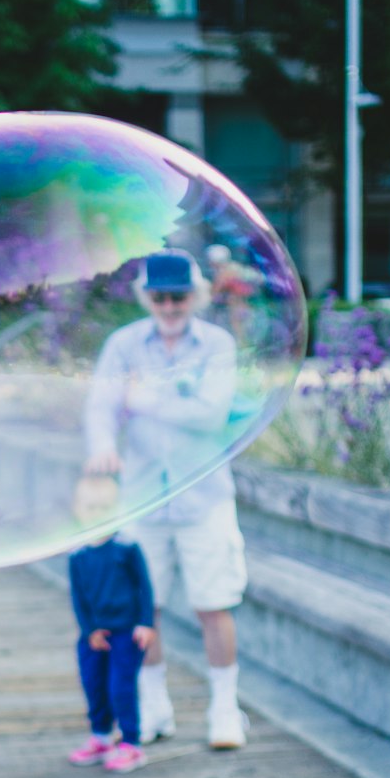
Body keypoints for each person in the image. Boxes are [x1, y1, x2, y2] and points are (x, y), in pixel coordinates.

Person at [84, 249, 250, 750]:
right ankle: (153, 707)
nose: (170, 305)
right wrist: (104, 443)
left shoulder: (216, 344)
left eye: (178, 296)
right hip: (142, 498)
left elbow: (210, 413)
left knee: (213, 605)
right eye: (160, 297)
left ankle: (225, 709)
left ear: (196, 295)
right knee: (141, 612)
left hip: (204, 498)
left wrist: (144, 400)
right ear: (147, 298)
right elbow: (101, 404)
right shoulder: (124, 344)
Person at [67, 473, 155, 773]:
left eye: (105, 507)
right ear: (77, 509)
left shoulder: (126, 547)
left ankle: (131, 743)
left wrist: (145, 623)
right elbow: (78, 597)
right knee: (94, 684)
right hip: (94, 635)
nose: (98, 514)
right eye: (90, 507)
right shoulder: (78, 552)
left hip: (126, 632)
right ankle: (101, 736)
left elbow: (144, 587)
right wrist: (89, 629)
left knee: (121, 686)